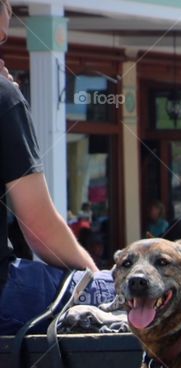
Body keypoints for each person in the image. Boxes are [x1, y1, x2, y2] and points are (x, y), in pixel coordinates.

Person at [0, 0, 97, 334]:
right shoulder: (4, 97)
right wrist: (93, 277)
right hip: (4, 292)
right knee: (111, 294)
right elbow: (39, 228)